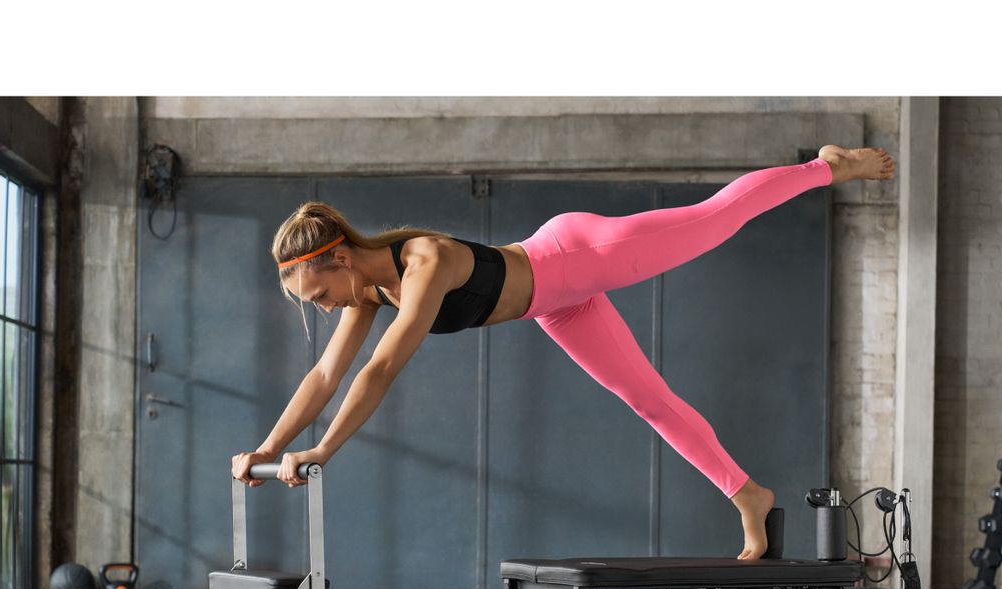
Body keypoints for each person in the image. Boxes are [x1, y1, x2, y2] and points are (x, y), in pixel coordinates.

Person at [232, 144, 895, 560]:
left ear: (342, 258)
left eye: (320, 293)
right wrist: (268, 446)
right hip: (555, 304)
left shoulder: (423, 261)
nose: (325, 307)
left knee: (715, 217)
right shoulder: (368, 292)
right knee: (648, 399)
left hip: (578, 254)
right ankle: (748, 494)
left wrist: (324, 450)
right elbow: (325, 375)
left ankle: (826, 167)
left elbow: (380, 369)